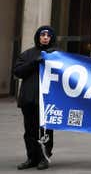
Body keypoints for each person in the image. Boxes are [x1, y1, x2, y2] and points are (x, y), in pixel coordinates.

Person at [13, 26, 57, 170]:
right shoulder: (27, 54)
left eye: (48, 35)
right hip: (28, 100)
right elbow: (18, 71)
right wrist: (34, 62)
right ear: (38, 37)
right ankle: (32, 158)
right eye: (42, 35)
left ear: (51, 38)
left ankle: (44, 158)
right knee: (30, 132)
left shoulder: (56, 55)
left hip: (47, 102)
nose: (45, 37)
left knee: (45, 131)